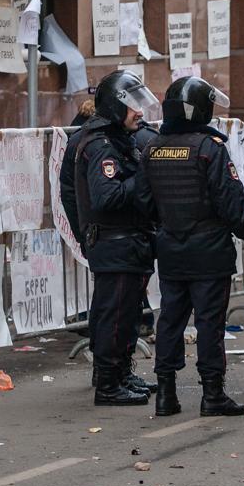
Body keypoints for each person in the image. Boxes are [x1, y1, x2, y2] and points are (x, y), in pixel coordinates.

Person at [139, 76, 244, 417]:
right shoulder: (209, 148)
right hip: (209, 251)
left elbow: (144, 200)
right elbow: (232, 204)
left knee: (170, 320)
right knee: (209, 323)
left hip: (170, 249)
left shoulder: (153, 148)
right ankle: (212, 394)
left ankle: (166, 393)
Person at [69, 70, 160, 406]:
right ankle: (108, 383)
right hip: (114, 241)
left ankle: (121, 373)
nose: (140, 111)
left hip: (127, 241)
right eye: (133, 105)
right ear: (115, 106)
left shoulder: (117, 139)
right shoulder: (101, 145)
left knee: (127, 314)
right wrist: (143, 178)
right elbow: (105, 197)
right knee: (114, 315)